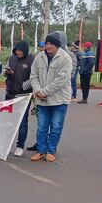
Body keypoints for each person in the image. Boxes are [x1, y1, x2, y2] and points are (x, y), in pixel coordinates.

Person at [29, 31, 73, 163]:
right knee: (42, 126)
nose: (47, 46)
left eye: (50, 44)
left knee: (56, 126)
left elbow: (62, 80)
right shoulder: (40, 57)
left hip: (59, 100)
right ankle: (41, 151)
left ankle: (51, 150)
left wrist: (45, 91)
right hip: (41, 99)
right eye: (46, 43)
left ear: (57, 45)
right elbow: (33, 75)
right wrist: (37, 90)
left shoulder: (65, 58)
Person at [4, 41, 35, 156]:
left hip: (23, 96)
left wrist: (23, 86)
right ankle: (6, 144)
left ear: (25, 50)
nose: (18, 53)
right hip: (10, 94)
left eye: (20, 51)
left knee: (22, 122)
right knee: (8, 121)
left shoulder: (32, 59)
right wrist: (7, 73)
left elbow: (34, 77)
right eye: (16, 50)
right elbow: (5, 71)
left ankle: (20, 145)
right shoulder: (12, 58)